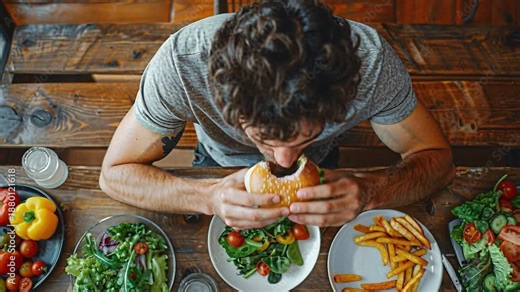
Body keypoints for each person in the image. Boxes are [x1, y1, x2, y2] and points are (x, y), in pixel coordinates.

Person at [99, 0, 455, 229]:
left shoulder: (371, 65)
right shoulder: (182, 66)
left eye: (306, 138)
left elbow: (438, 160)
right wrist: (207, 197)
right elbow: (113, 175)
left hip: (328, 164)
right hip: (215, 160)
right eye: (262, 139)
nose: (285, 161)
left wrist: (370, 192)